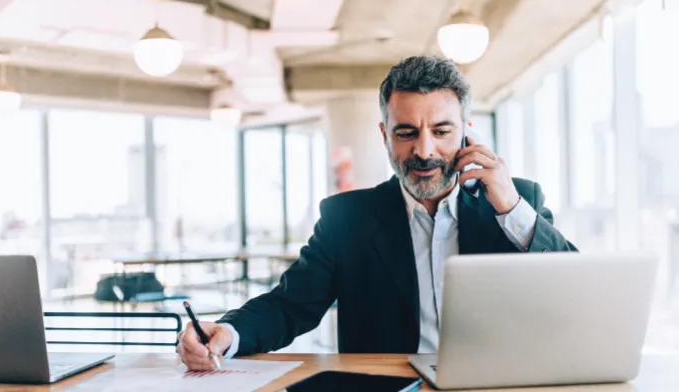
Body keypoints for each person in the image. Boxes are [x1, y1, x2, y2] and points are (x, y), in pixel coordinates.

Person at [177, 55, 577, 370]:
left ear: (466, 132)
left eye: (441, 131)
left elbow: (572, 294)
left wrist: (512, 210)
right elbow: (289, 305)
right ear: (385, 135)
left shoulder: (516, 200)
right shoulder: (346, 218)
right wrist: (228, 333)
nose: (424, 151)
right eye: (406, 133)